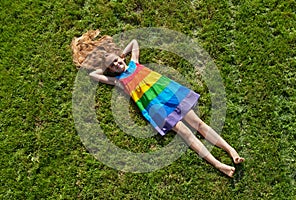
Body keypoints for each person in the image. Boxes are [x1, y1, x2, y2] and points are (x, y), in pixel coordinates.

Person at [71, 30, 244, 177]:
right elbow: (94, 75)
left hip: (169, 95)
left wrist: (121, 55)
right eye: (113, 65)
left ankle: (230, 151)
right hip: (157, 108)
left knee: (199, 124)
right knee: (186, 135)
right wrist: (106, 66)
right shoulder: (118, 81)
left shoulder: (134, 62)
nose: (117, 64)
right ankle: (218, 164)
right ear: (111, 71)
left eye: (117, 60)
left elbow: (134, 42)